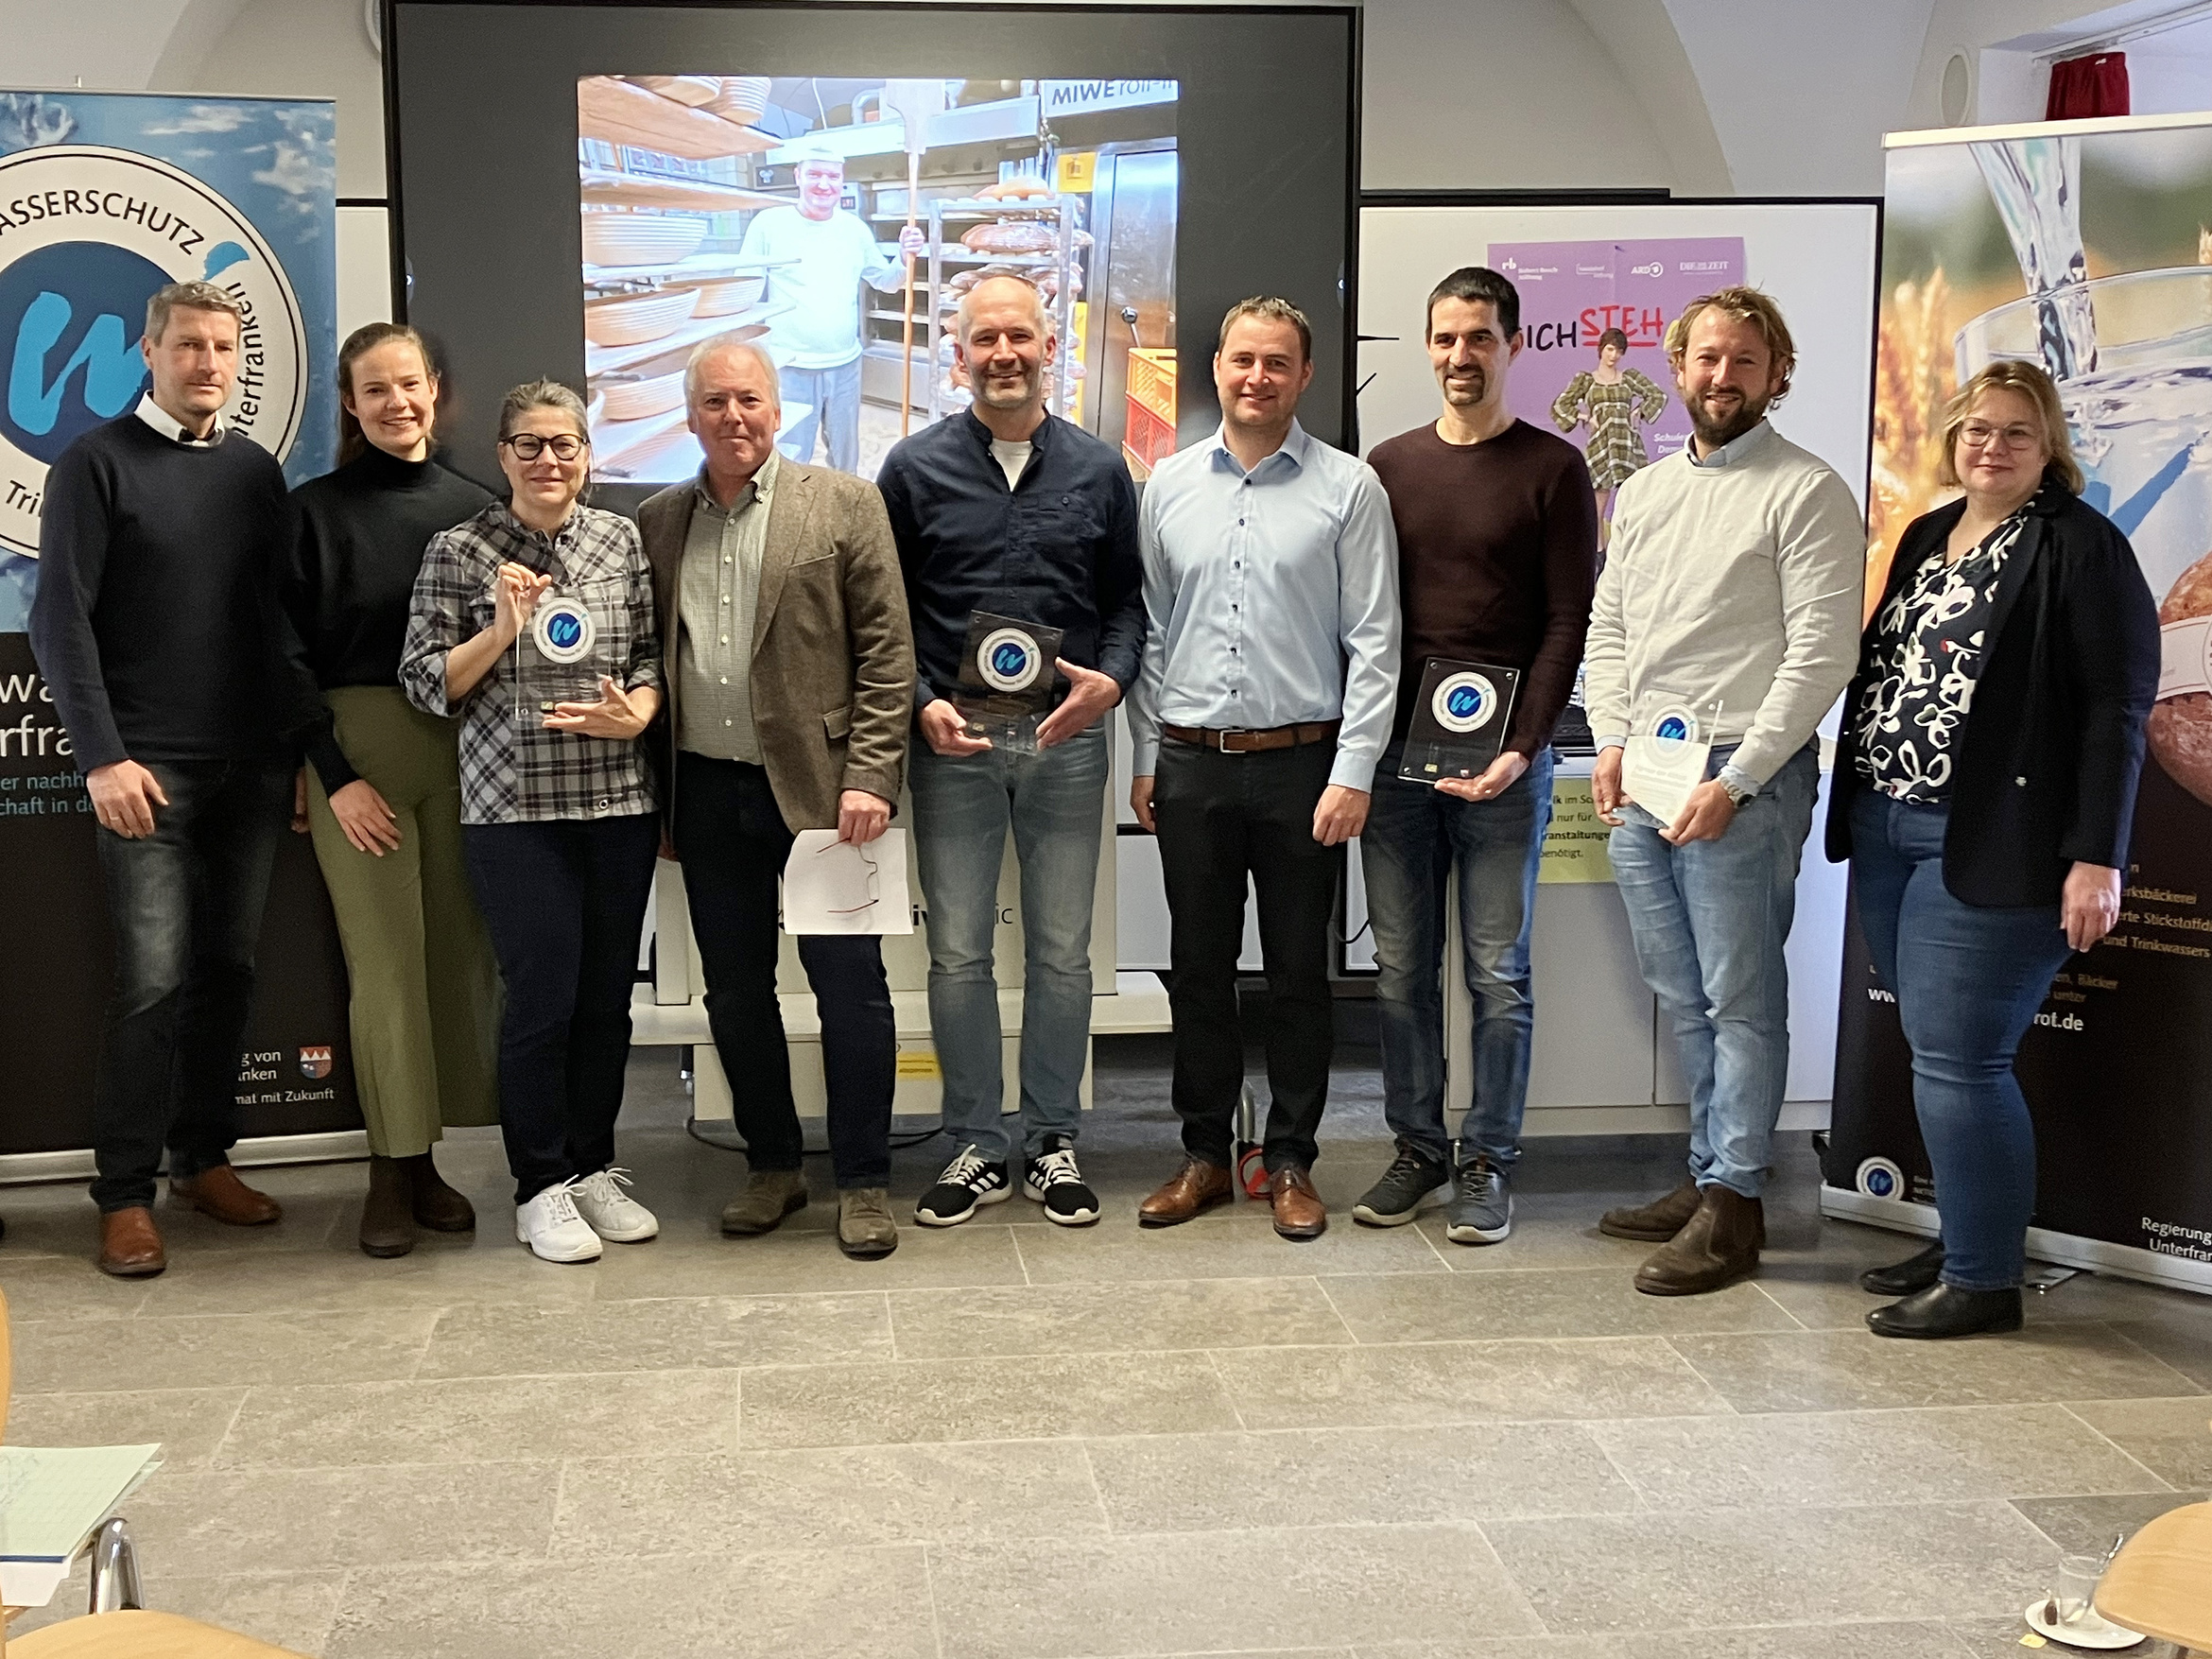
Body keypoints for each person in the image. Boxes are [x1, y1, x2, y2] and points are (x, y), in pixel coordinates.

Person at [1828, 359, 2157, 1339]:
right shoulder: (1928, 533)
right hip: (1890, 825)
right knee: (1938, 1052)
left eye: (2017, 431)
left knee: (1963, 1061)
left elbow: (2117, 709)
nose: (1993, 447)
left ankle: (1983, 1281)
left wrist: (2097, 856)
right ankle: (1967, 1237)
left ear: (2050, 445)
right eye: (1977, 428)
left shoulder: (2084, 547)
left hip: (1994, 840)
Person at [1584, 286, 1862, 1296]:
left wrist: (1738, 782)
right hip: (1648, 772)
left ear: (1778, 374)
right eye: (1707, 357)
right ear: (1677, 368)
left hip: (1745, 774)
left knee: (1740, 999)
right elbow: (1611, 625)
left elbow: (1822, 654)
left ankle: (1737, 1201)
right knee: (1681, 989)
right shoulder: (1647, 491)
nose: (1723, 376)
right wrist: (1612, 739)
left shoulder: (1807, 490)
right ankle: (1709, 1174)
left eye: (1746, 359)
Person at [30, 281, 309, 1278]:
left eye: (224, 349)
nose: (208, 364)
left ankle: (203, 1159)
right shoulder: (94, 464)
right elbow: (58, 619)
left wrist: (298, 753)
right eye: (188, 346)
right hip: (145, 771)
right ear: (148, 354)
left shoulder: (254, 472)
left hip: (250, 765)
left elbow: (276, 623)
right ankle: (123, 1195)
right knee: (152, 981)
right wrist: (102, 755)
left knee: (229, 971)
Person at [1129, 296, 1401, 1240]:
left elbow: (1376, 641)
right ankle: (1205, 1153)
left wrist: (1353, 770)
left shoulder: (1349, 489)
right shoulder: (1167, 486)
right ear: (1216, 367)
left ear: (1304, 375)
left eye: (1277, 362)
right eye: (1242, 359)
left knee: (1297, 975)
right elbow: (1154, 632)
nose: (1257, 377)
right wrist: (1147, 756)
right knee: (1198, 969)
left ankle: (1289, 1159)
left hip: (1304, 769)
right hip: (1192, 763)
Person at [640, 335, 916, 1259]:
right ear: (691, 417)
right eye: (715, 402)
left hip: (827, 798)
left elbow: (888, 652)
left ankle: (865, 1180)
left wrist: (872, 775)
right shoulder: (658, 521)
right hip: (707, 793)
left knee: (852, 993)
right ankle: (773, 1166)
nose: (734, 417)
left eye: (749, 399)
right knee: (735, 993)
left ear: (777, 406)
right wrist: (662, 801)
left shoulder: (843, 503)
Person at [878, 274, 1143, 1230]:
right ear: (958, 355)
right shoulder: (911, 470)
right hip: (953, 743)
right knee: (957, 952)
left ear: (1049, 348)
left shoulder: (1100, 469)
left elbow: (1126, 604)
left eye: (1019, 337)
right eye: (984, 339)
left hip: (1066, 740)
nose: (1003, 354)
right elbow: (886, 614)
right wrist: (919, 706)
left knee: (1063, 952)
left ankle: (1052, 1138)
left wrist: (1111, 683)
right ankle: (977, 1145)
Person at [1357, 267, 1598, 1243]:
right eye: (1447, 338)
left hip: (1504, 768)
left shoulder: (1554, 468)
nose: (1462, 355)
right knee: (1399, 969)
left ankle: (1488, 1160)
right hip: (1396, 764)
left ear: (1513, 346)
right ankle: (1418, 1148)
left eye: (1481, 338)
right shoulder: (1387, 467)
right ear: (1429, 347)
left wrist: (1523, 746)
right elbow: (1365, 618)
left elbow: (1567, 621)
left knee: (1498, 975)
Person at [400, 380, 665, 1265]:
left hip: (616, 801)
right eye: (530, 445)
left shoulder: (620, 539)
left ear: (587, 455)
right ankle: (539, 1184)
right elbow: (425, 683)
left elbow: (648, 654)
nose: (548, 460)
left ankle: (593, 1166)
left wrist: (639, 711)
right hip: (514, 811)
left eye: (565, 445)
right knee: (542, 1000)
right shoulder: (460, 550)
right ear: (503, 455)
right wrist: (501, 628)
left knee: (606, 1004)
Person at [285, 322, 500, 1259]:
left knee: (453, 956)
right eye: (374, 389)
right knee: (383, 966)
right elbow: (282, 655)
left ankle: (426, 1163)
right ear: (350, 403)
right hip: (357, 757)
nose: (395, 403)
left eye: (408, 385)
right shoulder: (311, 513)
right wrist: (331, 777)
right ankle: (387, 1165)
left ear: (434, 389)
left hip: (465, 753)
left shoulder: (479, 507)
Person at [739, 145, 925, 475]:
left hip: (845, 364)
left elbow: (887, 282)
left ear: (842, 180)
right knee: (790, 456)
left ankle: (843, 503)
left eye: (833, 176)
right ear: (798, 176)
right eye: (814, 174)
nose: (824, 184)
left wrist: (902, 257)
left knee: (845, 459)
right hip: (789, 365)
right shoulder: (768, 224)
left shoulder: (854, 230)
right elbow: (744, 289)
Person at [1551, 326, 1668, 550]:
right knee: (1597, 509)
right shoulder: (1586, 380)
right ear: (1601, 349)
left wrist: (1639, 411)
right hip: (1601, 446)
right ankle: (1598, 558)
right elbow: (1559, 406)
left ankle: (1630, 552)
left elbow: (1658, 395)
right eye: (1610, 349)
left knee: (1633, 505)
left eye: (1619, 351)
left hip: (1627, 445)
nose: (1614, 355)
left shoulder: (1629, 378)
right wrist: (1583, 416)